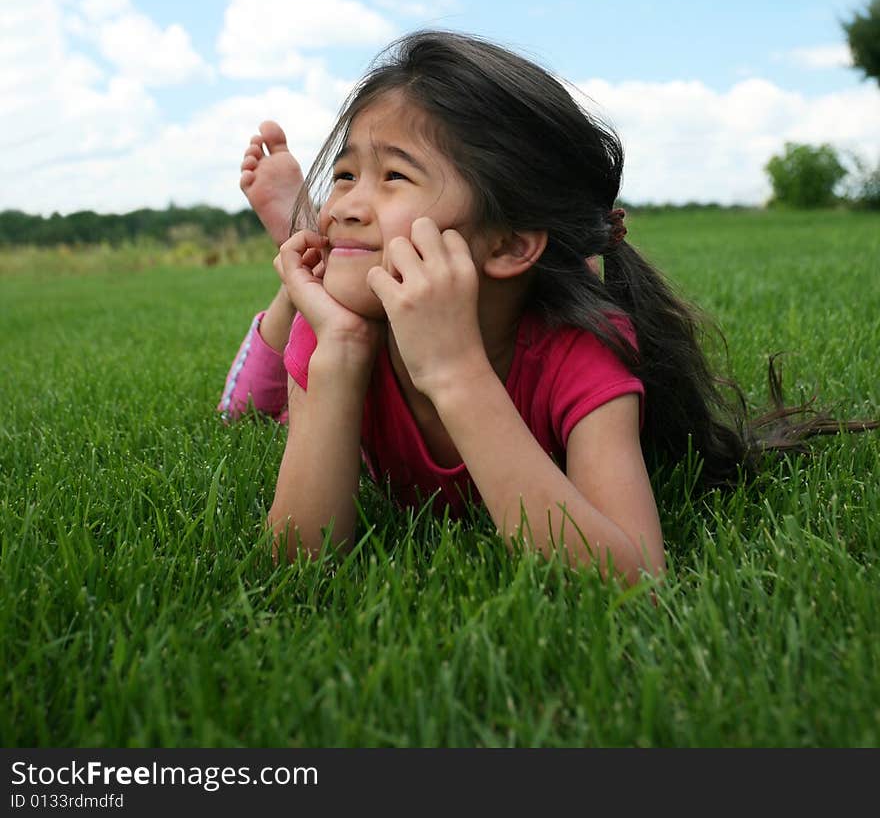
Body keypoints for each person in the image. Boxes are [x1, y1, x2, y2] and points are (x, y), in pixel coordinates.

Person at [218, 29, 877, 583]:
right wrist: (337, 347)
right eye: (343, 175)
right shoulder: (341, 330)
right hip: (329, 354)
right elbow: (296, 568)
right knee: (249, 410)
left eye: (393, 176)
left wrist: (455, 372)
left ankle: (300, 243)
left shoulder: (580, 353)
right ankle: (295, 246)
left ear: (506, 245)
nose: (348, 204)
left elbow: (635, 578)